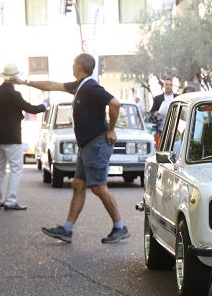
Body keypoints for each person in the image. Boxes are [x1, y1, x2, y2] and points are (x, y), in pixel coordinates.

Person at [9, 53, 131, 244]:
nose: (72, 66)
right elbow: (51, 85)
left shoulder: (91, 87)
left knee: (98, 187)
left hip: (96, 143)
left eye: (74, 63)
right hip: (86, 145)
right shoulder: (79, 86)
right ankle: (67, 229)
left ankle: (120, 226)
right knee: (78, 185)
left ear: (80, 67)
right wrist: (25, 82)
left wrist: (112, 130)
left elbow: (114, 103)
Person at [0, 64, 47, 211]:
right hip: (12, 136)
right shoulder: (14, 95)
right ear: (14, 78)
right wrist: (44, 105)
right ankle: (10, 201)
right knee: (16, 169)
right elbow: (30, 108)